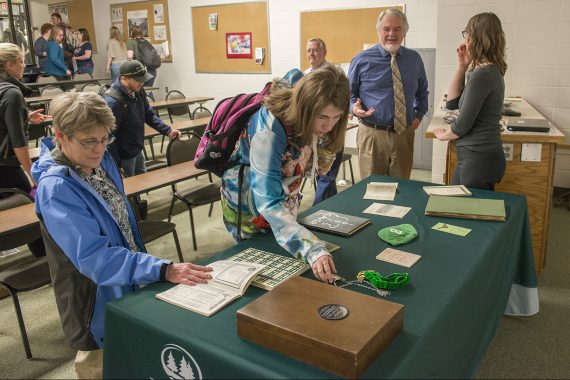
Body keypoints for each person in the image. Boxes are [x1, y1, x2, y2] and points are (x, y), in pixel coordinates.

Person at [32, 91, 213, 379]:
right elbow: (95, 257)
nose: (99, 148)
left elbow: (122, 225)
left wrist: (144, 270)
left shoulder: (98, 161)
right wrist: (160, 269)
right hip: (94, 304)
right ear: (60, 135)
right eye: (89, 141)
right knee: (102, 368)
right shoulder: (57, 188)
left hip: (126, 281)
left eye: (105, 139)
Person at [221, 65, 349, 283]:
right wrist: (311, 249)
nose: (329, 125)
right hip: (249, 200)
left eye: (336, 117)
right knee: (259, 268)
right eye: (323, 117)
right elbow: (268, 201)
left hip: (283, 194)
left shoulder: (311, 109)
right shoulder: (268, 130)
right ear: (306, 108)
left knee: (286, 257)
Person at [348, 8, 429, 180]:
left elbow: (422, 92)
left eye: (397, 29)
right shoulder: (361, 60)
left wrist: (418, 115)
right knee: (371, 189)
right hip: (372, 135)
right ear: (378, 30)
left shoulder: (414, 59)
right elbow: (348, 95)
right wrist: (354, 109)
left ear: (404, 32)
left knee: (401, 188)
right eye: (386, 29)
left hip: (403, 135)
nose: (391, 33)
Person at [432, 13, 507, 190]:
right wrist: (461, 66)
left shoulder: (483, 74)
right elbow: (452, 103)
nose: (465, 38)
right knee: (454, 203)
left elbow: (462, 125)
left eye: (467, 33)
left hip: (479, 157)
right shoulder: (483, 71)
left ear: (476, 38)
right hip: (475, 156)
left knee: (466, 211)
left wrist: (444, 135)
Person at [0, 42, 48, 257]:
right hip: (6, 164)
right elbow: (19, 143)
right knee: (31, 205)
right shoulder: (12, 94)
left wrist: (26, 115)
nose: (24, 65)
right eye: (20, 61)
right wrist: (32, 175)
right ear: (9, 64)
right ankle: (42, 255)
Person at [103, 60, 180, 176]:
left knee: (142, 182)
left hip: (137, 149)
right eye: (138, 80)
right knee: (129, 190)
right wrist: (117, 163)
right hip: (123, 156)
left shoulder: (138, 91)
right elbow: (108, 136)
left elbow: (149, 115)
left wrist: (167, 130)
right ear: (124, 79)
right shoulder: (113, 102)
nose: (142, 83)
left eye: (143, 79)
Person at [304, 37, 344, 204]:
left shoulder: (334, 74)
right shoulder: (305, 75)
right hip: (312, 134)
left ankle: (318, 209)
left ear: (324, 52)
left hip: (330, 133)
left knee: (326, 175)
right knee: (320, 174)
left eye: (315, 50)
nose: (311, 54)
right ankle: (331, 206)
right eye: (308, 50)